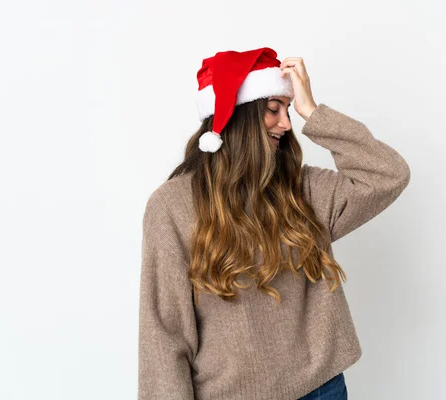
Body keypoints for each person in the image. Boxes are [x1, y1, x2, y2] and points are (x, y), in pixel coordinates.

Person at [138, 47, 411, 400]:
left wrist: (312, 112)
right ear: (238, 116)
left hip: (321, 389)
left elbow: (388, 174)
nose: (286, 123)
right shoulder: (172, 206)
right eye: (273, 109)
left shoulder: (302, 189)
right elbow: (165, 333)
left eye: (288, 109)